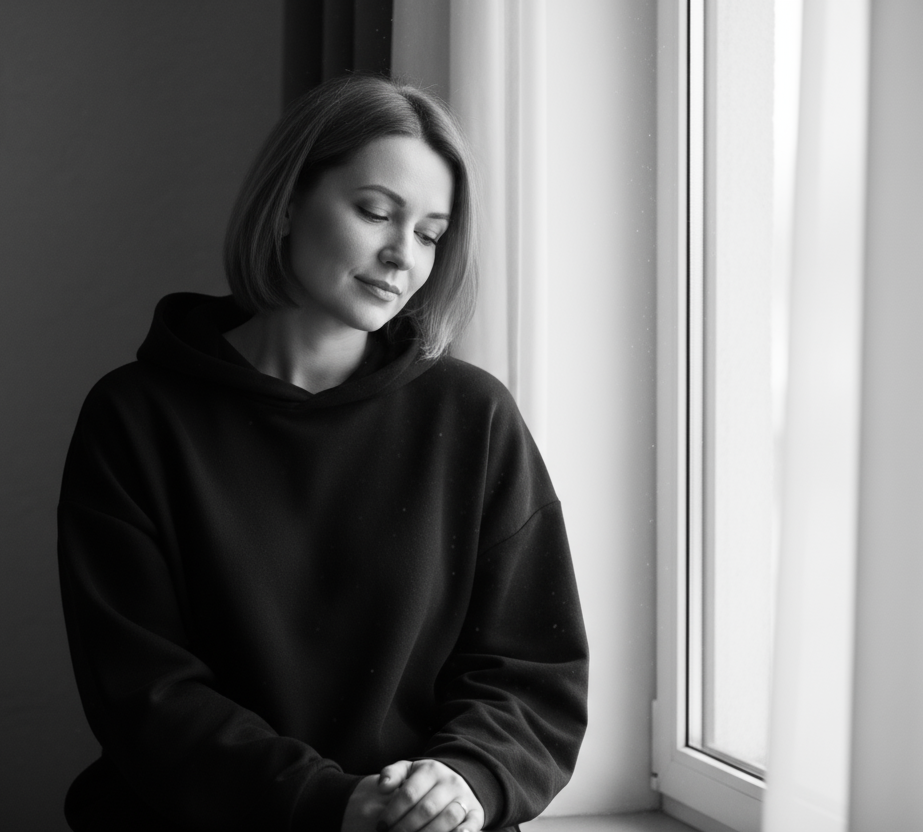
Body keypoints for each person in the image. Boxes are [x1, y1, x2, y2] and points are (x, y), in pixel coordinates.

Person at [57, 73, 588, 832]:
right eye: (376, 212)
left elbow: (534, 672)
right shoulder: (135, 417)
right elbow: (143, 691)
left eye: (431, 234)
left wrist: (464, 778)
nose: (402, 255)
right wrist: (329, 804)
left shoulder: (472, 416)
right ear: (287, 204)